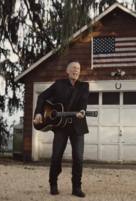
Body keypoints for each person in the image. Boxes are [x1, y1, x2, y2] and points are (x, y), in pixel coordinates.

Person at [33, 61, 89, 197]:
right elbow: (42, 97)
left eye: (78, 69)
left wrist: (82, 111)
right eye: (74, 68)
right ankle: (53, 184)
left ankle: (76, 187)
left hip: (77, 125)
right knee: (56, 156)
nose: (76, 70)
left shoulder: (84, 86)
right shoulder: (58, 84)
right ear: (67, 71)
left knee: (78, 157)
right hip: (60, 127)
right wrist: (39, 113)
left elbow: (83, 102)